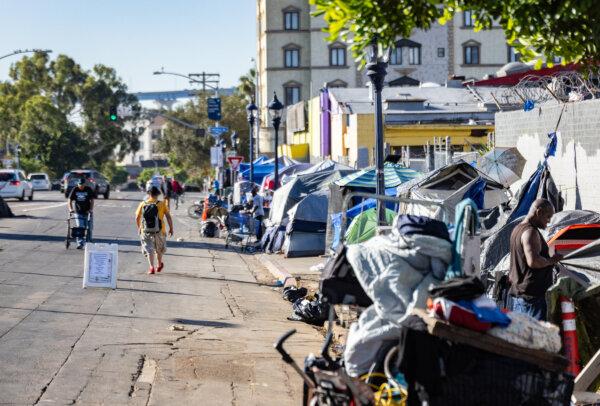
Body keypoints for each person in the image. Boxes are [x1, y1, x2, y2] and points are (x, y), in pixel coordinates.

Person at [509, 198, 562, 320]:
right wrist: (552, 260)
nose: (548, 222)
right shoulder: (530, 232)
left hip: (521, 296)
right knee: (534, 337)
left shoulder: (517, 228)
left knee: (521, 337)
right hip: (532, 299)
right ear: (539, 212)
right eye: (548, 217)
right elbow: (533, 261)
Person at [135, 186, 174, 275]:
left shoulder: (143, 204)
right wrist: (171, 228)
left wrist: (139, 227)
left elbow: (137, 217)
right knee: (159, 249)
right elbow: (168, 216)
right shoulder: (161, 204)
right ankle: (159, 264)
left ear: (149, 194)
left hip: (146, 230)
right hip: (160, 230)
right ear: (157, 194)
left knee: (149, 249)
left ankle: (151, 267)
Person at [68, 178, 95, 249]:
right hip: (78, 212)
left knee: (89, 227)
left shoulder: (88, 189)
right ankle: (80, 243)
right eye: (80, 185)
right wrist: (70, 209)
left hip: (87, 211)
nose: (81, 186)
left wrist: (91, 209)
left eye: (82, 185)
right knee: (80, 227)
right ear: (78, 184)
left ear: (84, 184)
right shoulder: (75, 189)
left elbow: (92, 200)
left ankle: (89, 242)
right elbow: (69, 200)